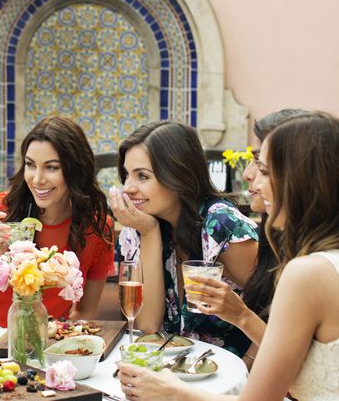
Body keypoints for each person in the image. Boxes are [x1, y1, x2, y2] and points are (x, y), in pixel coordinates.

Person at [118, 111, 339, 401]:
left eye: (263, 169)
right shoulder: (318, 263)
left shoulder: (305, 272)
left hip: (227, 375)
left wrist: (172, 393)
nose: (250, 177)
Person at [109, 121, 259, 357]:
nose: (128, 188)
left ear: (177, 175)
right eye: (127, 175)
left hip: (233, 379)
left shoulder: (220, 226)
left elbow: (280, 309)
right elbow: (148, 326)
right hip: (180, 375)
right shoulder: (140, 227)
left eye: (142, 176)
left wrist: (249, 371)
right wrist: (149, 233)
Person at [0, 115, 115, 329]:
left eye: (51, 167)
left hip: (49, 339)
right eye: (31, 165)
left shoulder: (97, 228)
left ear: (76, 170)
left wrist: (57, 339)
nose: (37, 179)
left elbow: (85, 310)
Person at [187, 109, 308, 368]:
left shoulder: (221, 221)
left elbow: (296, 360)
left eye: (262, 166)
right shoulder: (275, 233)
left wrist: (240, 315)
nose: (247, 174)